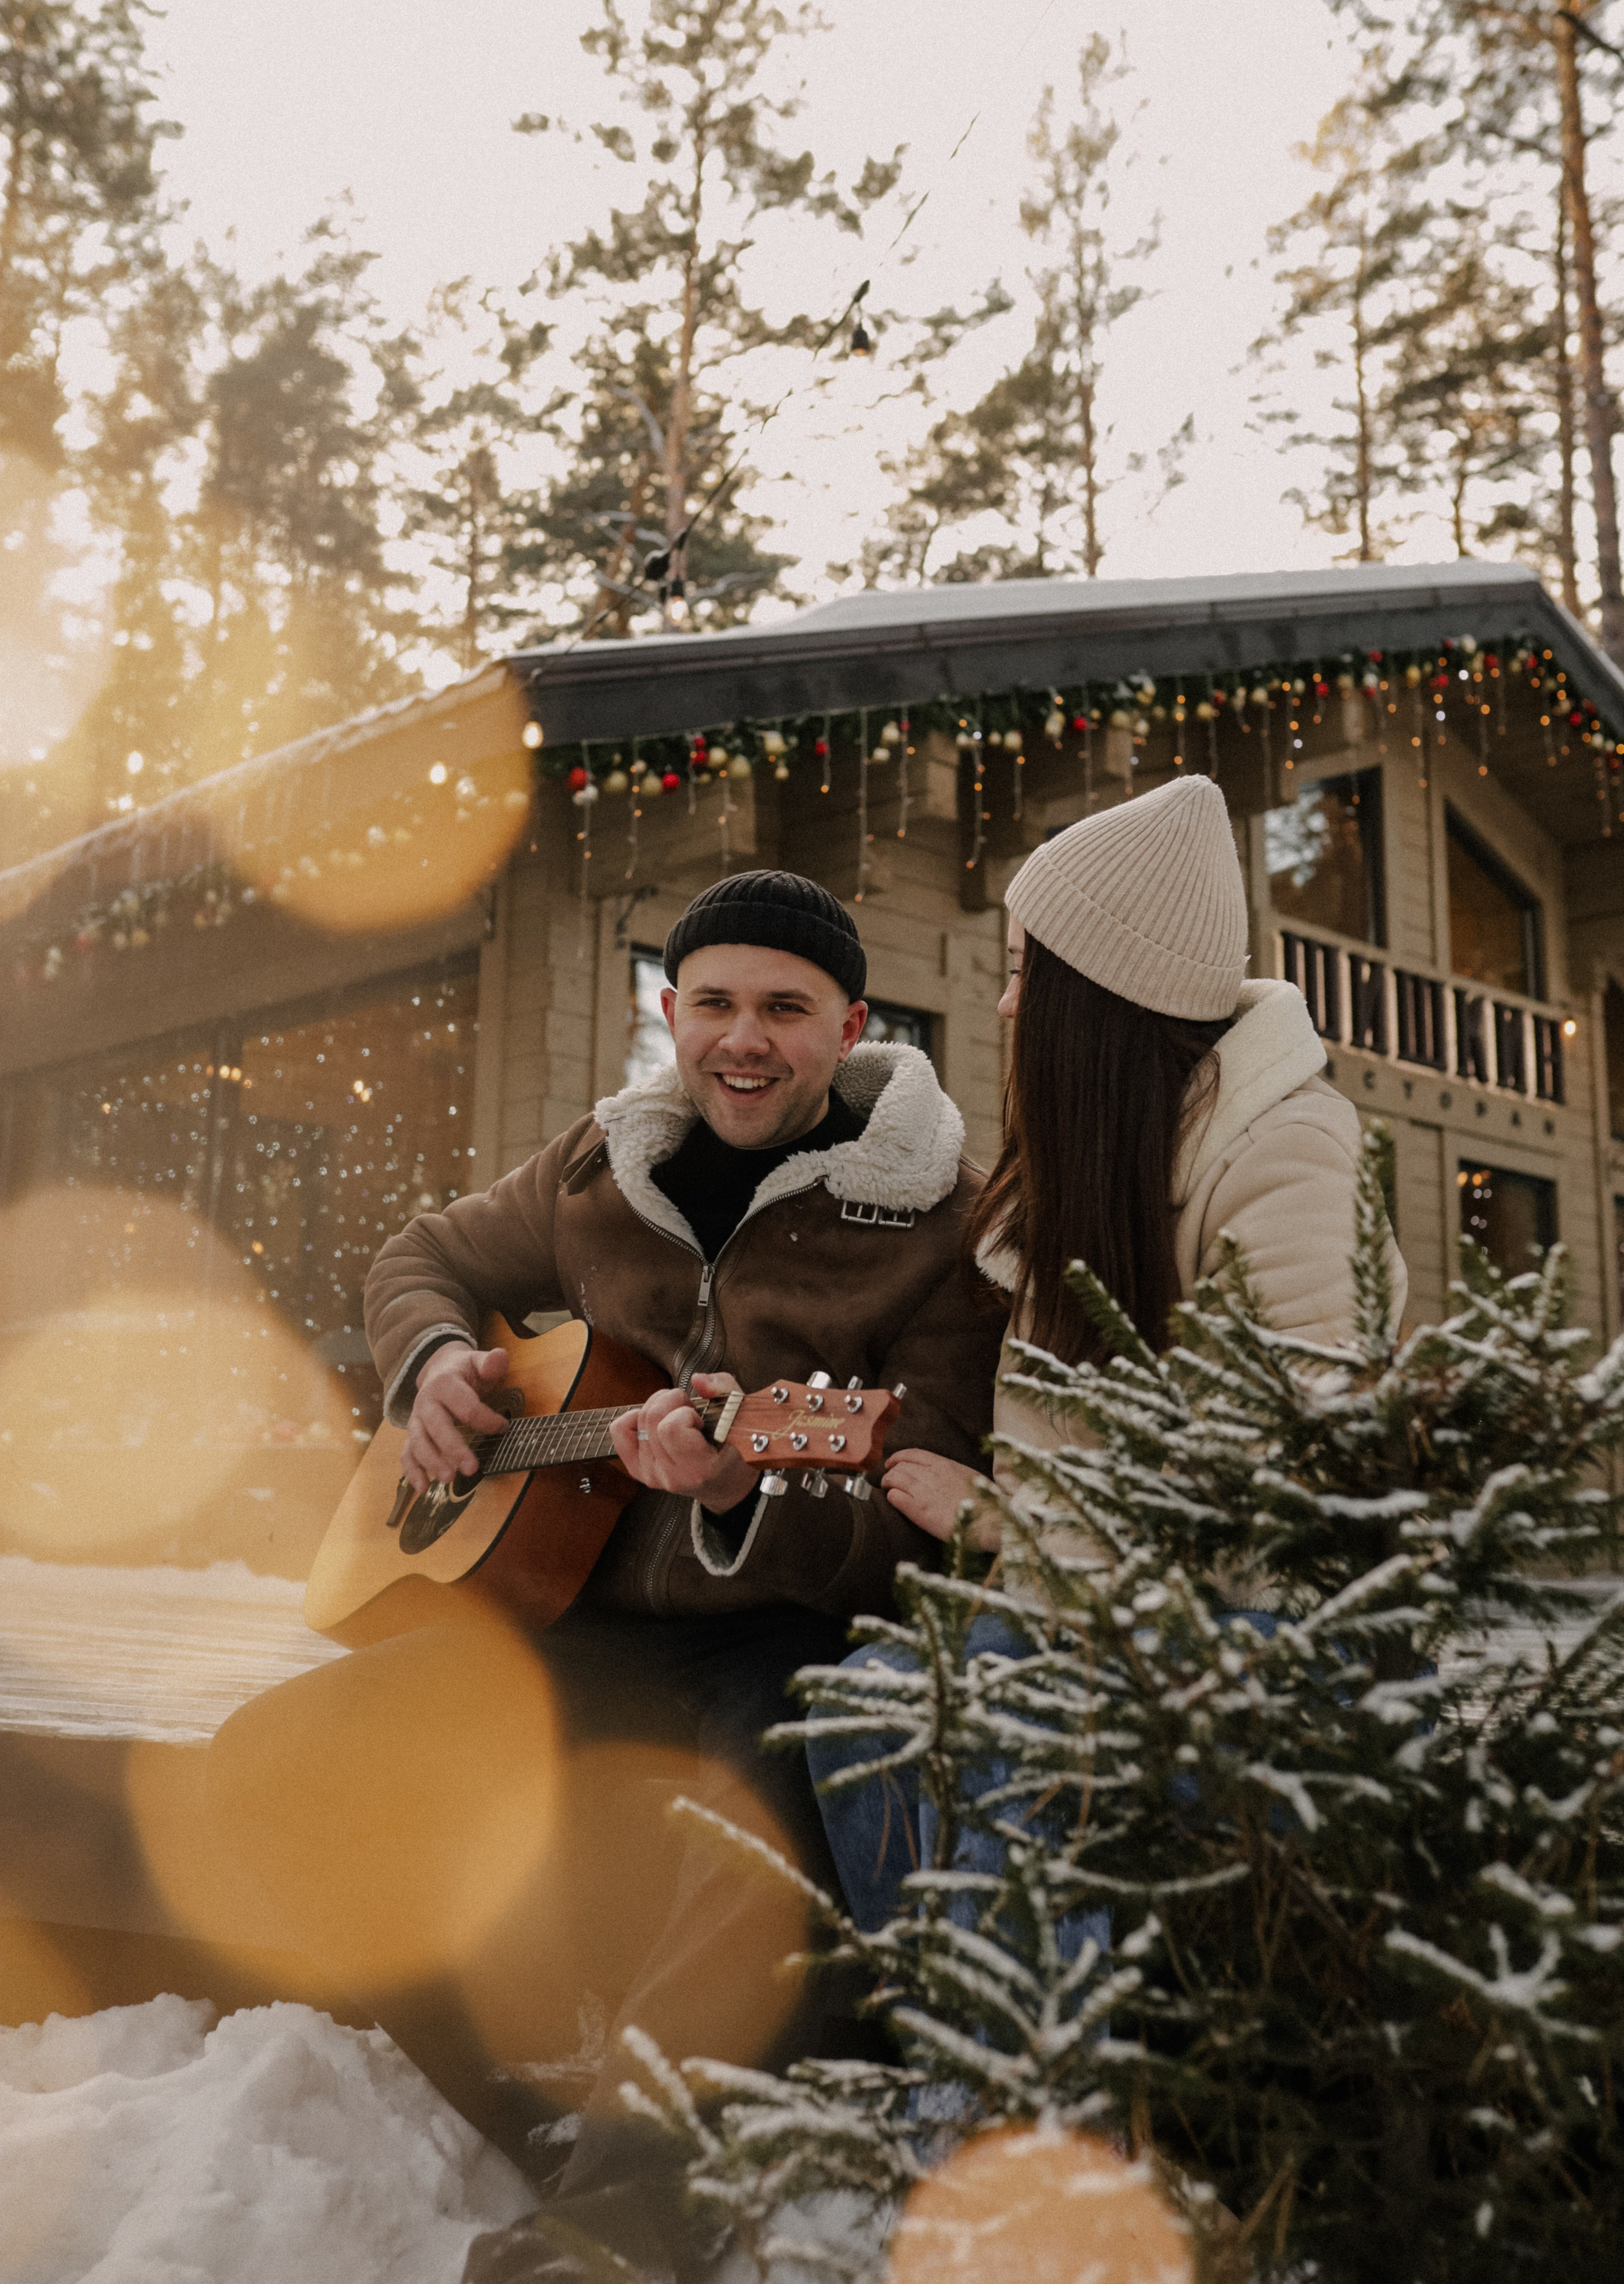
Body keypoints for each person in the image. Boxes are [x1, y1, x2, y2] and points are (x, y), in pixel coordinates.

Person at [205, 869, 1002, 2270]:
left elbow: (915, 1497)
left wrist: (745, 1486)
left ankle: (624, 2226)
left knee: (765, 1830)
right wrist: (436, 1360)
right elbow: (422, 1254)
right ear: (670, 1011)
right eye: (712, 1004)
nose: (740, 1041)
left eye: (782, 1009)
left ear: (851, 1025)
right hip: (564, 1620)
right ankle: (513, 2107)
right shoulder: (599, 1165)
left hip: (784, 1631)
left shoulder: (937, 1221)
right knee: (273, 1759)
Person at [808, 772, 1409, 1934]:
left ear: (1103, 998)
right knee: (861, 1710)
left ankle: (1044, 2086)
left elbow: (1293, 1497)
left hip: (1250, 1639)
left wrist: (1005, 1521)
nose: (1005, 1006)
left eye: (1029, 971)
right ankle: (950, 2031)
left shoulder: (1289, 1158)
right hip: (1081, 1609)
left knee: (1015, 1750)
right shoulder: (1099, 1160)